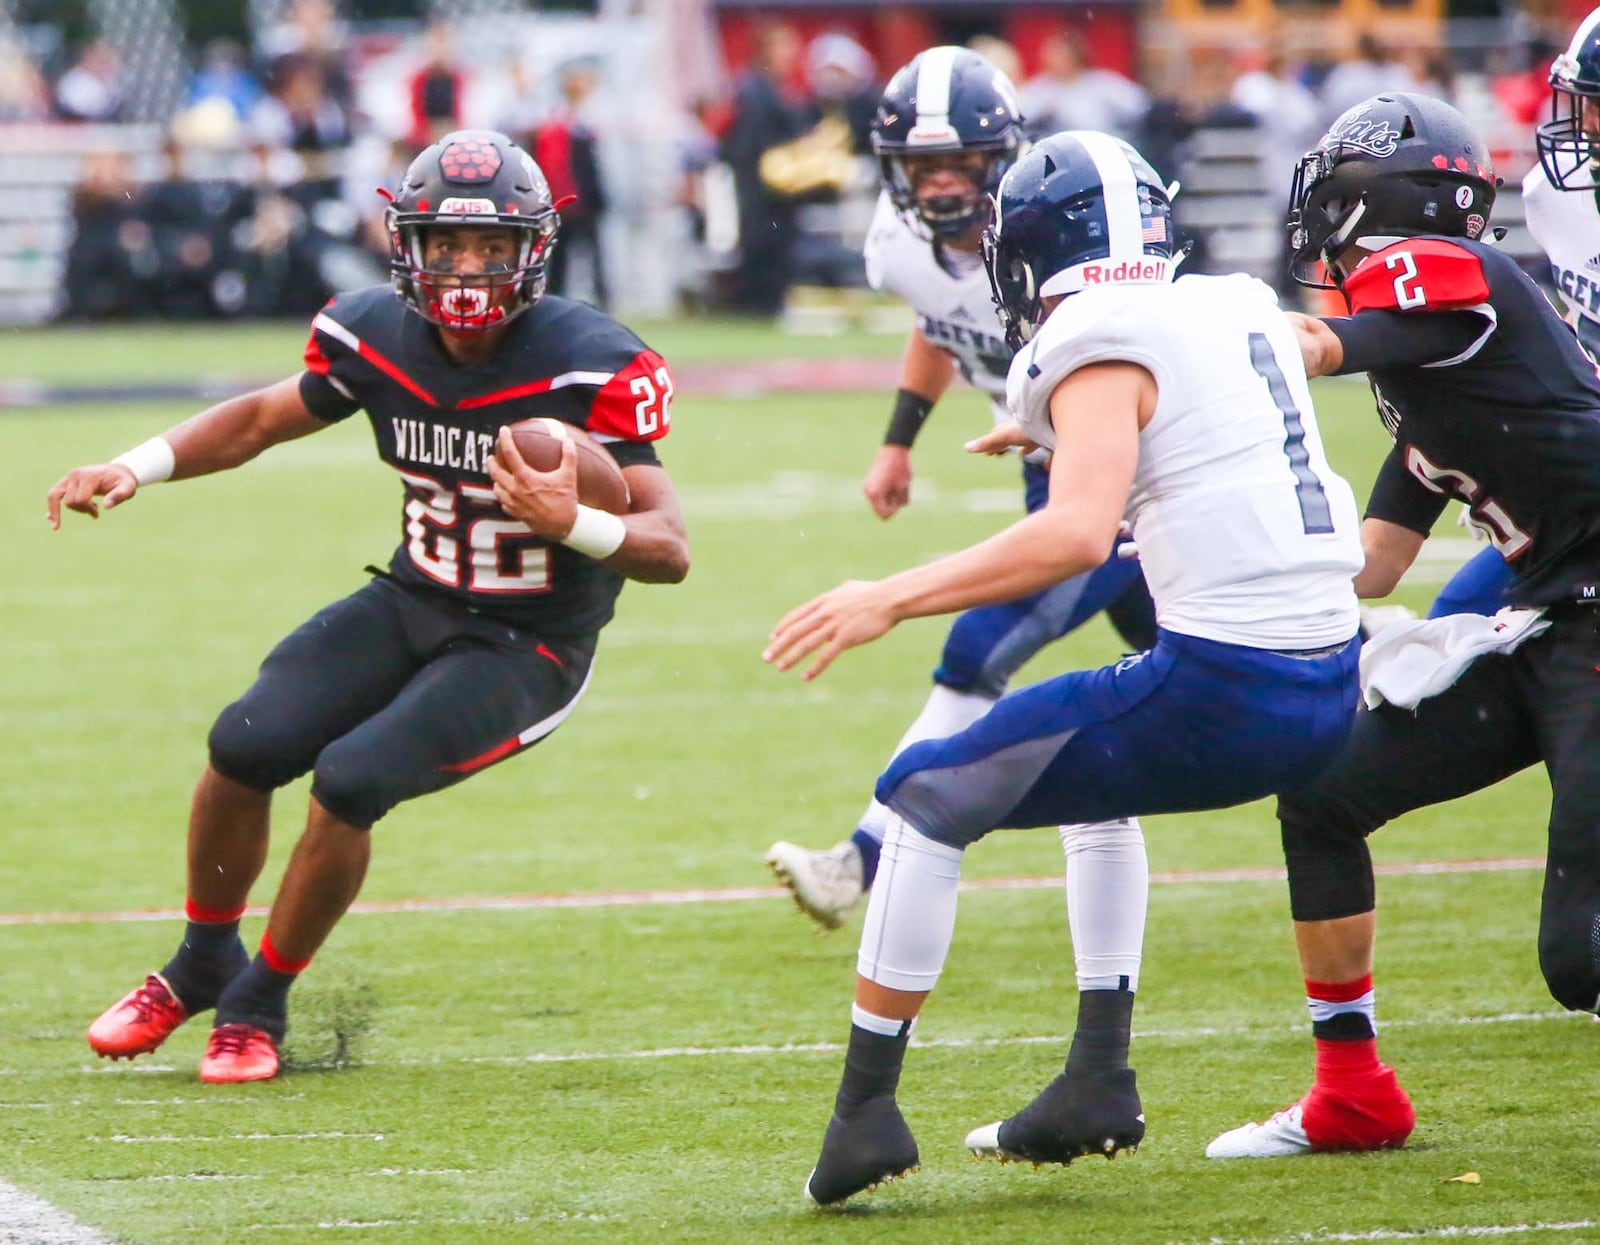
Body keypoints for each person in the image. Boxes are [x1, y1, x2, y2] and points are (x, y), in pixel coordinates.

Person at [765, 128, 1366, 1205]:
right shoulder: (1227, 301)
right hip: (1330, 677)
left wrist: (885, 597)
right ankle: (1096, 1079)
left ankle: (864, 1115)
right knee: (1093, 783)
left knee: (920, 798)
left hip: (1231, 688)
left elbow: (1073, 538)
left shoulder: (1092, 332)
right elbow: (1252, 399)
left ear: (1034, 241)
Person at [50, 129, 690, 1085]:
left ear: (532, 251)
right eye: (446, 246)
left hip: (529, 643)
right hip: (415, 594)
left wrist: (576, 522)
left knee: (350, 778)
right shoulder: (377, 333)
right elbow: (262, 418)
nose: (467, 269)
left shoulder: (589, 360)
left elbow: (670, 549)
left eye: (490, 249)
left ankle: (256, 1003)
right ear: (409, 246)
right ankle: (202, 961)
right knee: (244, 742)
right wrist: (136, 465)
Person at [1205, 90, 1600, 1160]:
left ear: (1368, 200)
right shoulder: (1432, 385)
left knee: (1583, 959)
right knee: (1324, 794)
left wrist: (1180, 349)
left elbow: (1324, 345)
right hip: (1549, 622)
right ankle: (1352, 1094)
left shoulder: (1441, 284)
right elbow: (1371, 567)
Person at [765, 48, 1157, 937]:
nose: (941, 186)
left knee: (978, 646)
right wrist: (897, 442)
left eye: (960, 163)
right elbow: (937, 320)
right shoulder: (896, 242)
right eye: (922, 167)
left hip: (1121, 464)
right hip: (1047, 459)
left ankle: (858, 860)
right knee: (1213, 644)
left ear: (1002, 157)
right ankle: (1367, 677)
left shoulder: (1048, 227)